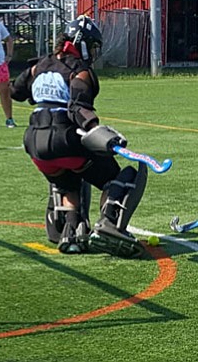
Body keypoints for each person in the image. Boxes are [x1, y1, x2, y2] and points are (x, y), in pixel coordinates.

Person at [10, 15, 147, 258]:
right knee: (118, 177)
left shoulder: (38, 65)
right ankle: (108, 225)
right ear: (81, 43)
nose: (93, 53)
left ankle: (71, 233)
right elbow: (77, 107)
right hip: (65, 140)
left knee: (68, 181)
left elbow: (16, 92)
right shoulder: (80, 71)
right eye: (92, 46)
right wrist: (97, 130)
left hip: (34, 145)